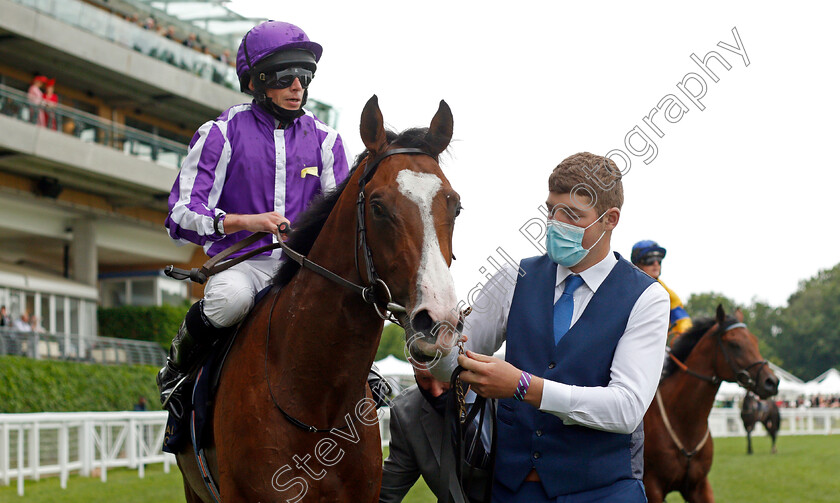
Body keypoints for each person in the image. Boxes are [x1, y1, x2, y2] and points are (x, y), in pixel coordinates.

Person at [433, 152, 669, 502]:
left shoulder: (647, 298)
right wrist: (436, 338)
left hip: (602, 492)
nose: (555, 223)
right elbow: (450, 363)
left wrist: (523, 386)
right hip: (509, 489)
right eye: (551, 210)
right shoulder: (513, 277)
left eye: (572, 215)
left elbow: (626, 408)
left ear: (610, 219)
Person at [157, 21, 350, 414]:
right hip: (241, 264)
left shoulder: (328, 142)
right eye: (286, 77)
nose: (298, 86)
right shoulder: (220, 133)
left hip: (303, 268)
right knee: (231, 300)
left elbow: (341, 218)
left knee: (347, 304)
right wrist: (244, 222)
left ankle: (365, 375)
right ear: (257, 83)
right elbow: (180, 214)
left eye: (305, 75)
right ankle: (177, 366)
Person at [380, 363, 492, 503]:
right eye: (424, 379)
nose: (436, 391)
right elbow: (387, 491)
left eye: (443, 375)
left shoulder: (511, 387)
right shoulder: (406, 412)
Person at [631, 240, 692, 341]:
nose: (656, 264)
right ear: (637, 263)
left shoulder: (666, 292)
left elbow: (681, 318)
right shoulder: (623, 284)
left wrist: (686, 335)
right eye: (650, 259)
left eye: (659, 260)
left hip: (654, 344)